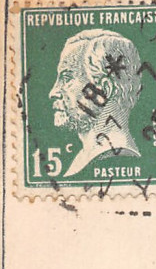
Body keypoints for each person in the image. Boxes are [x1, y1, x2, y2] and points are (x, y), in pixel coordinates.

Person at [49, 29, 142, 177]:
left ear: (104, 90)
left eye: (67, 78)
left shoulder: (116, 157)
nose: (53, 92)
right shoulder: (84, 158)